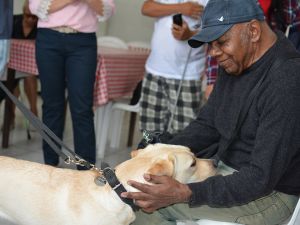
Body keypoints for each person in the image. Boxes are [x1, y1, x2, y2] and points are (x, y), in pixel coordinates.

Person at [121, 0, 300, 224]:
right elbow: (209, 124)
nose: (214, 52)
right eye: (210, 44)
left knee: (142, 209)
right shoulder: (237, 60)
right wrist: (162, 148)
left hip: (271, 194)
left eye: (221, 42)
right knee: (134, 194)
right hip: (227, 172)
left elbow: (259, 178)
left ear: (253, 31)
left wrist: (186, 192)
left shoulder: (287, 78)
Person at [28, 0, 115, 168]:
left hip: (83, 43)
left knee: (82, 107)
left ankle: (86, 169)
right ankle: (50, 165)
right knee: (52, 105)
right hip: (49, 40)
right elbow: (35, 6)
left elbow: (108, 10)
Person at [204, 0, 300, 100]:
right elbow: (216, 35)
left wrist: (288, 68)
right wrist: (213, 79)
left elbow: (296, 34)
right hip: (236, 66)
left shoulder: (287, 3)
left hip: (274, 67)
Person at [139, 0, 209, 135]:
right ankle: (149, 154)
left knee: (183, 136)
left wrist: (190, 35)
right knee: (148, 134)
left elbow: (216, 30)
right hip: (155, 71)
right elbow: (146, 8)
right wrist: (180, 8)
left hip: (188, 75)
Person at [12, 0, 39, 119]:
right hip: (13, 62)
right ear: (23, 13)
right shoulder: (13, 21)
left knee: (29, 76)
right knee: (11, 80)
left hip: (33, 65)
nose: (31, 20)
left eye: (35, 17)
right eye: (28, 16)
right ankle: (10, 116)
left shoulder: (41, 27)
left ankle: (34, 111)